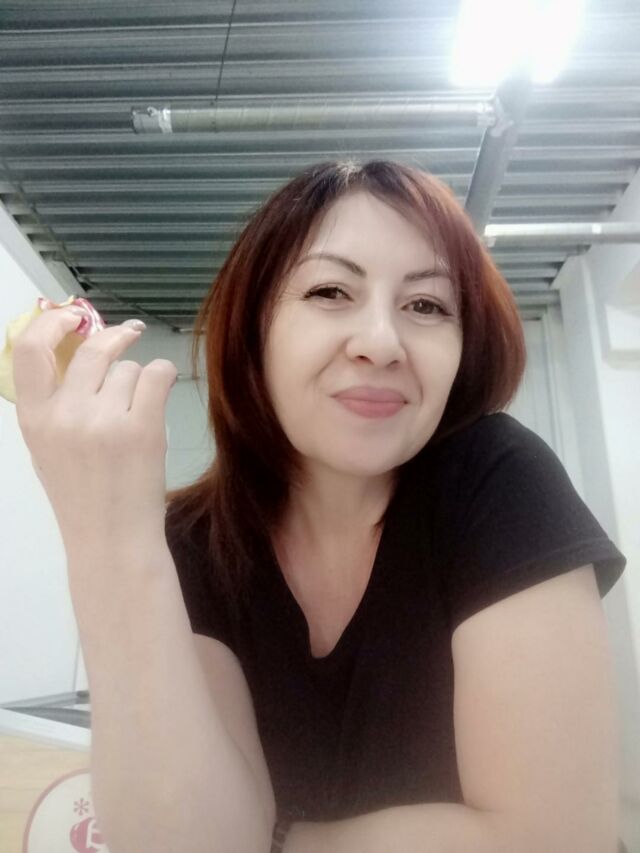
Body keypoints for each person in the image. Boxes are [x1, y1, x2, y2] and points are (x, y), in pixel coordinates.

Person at [163, 160, 627, 850]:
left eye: (427, 306)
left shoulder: (497, 479)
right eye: (330, 291)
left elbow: (554, 839)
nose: (381, 343)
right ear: (254, 331)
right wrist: (102, 527)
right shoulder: (193, 540)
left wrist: (276, 839)